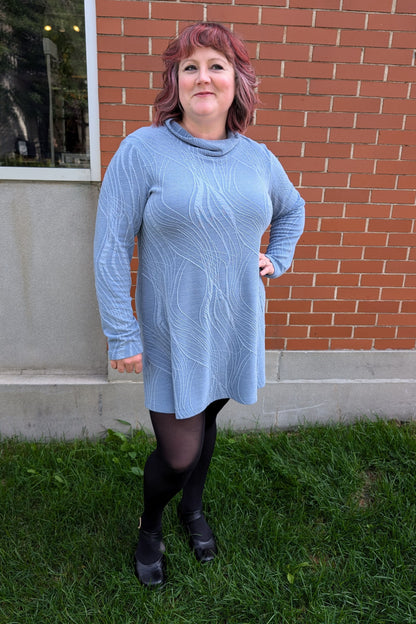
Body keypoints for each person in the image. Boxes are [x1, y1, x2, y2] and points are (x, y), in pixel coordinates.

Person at [94, 21, 305, 587]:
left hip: (234, 321)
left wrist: (275, 259)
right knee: (180, 449)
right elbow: (111, 243)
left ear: (237, 82)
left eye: (217, 65)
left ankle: (193, 510)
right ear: (175, 83)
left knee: (208, 415)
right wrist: (122, 331)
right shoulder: (143, 150)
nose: (203, 77)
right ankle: (152, 524)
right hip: (171, 329)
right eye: (190, 67)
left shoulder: (257, 158)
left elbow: (292, 210)